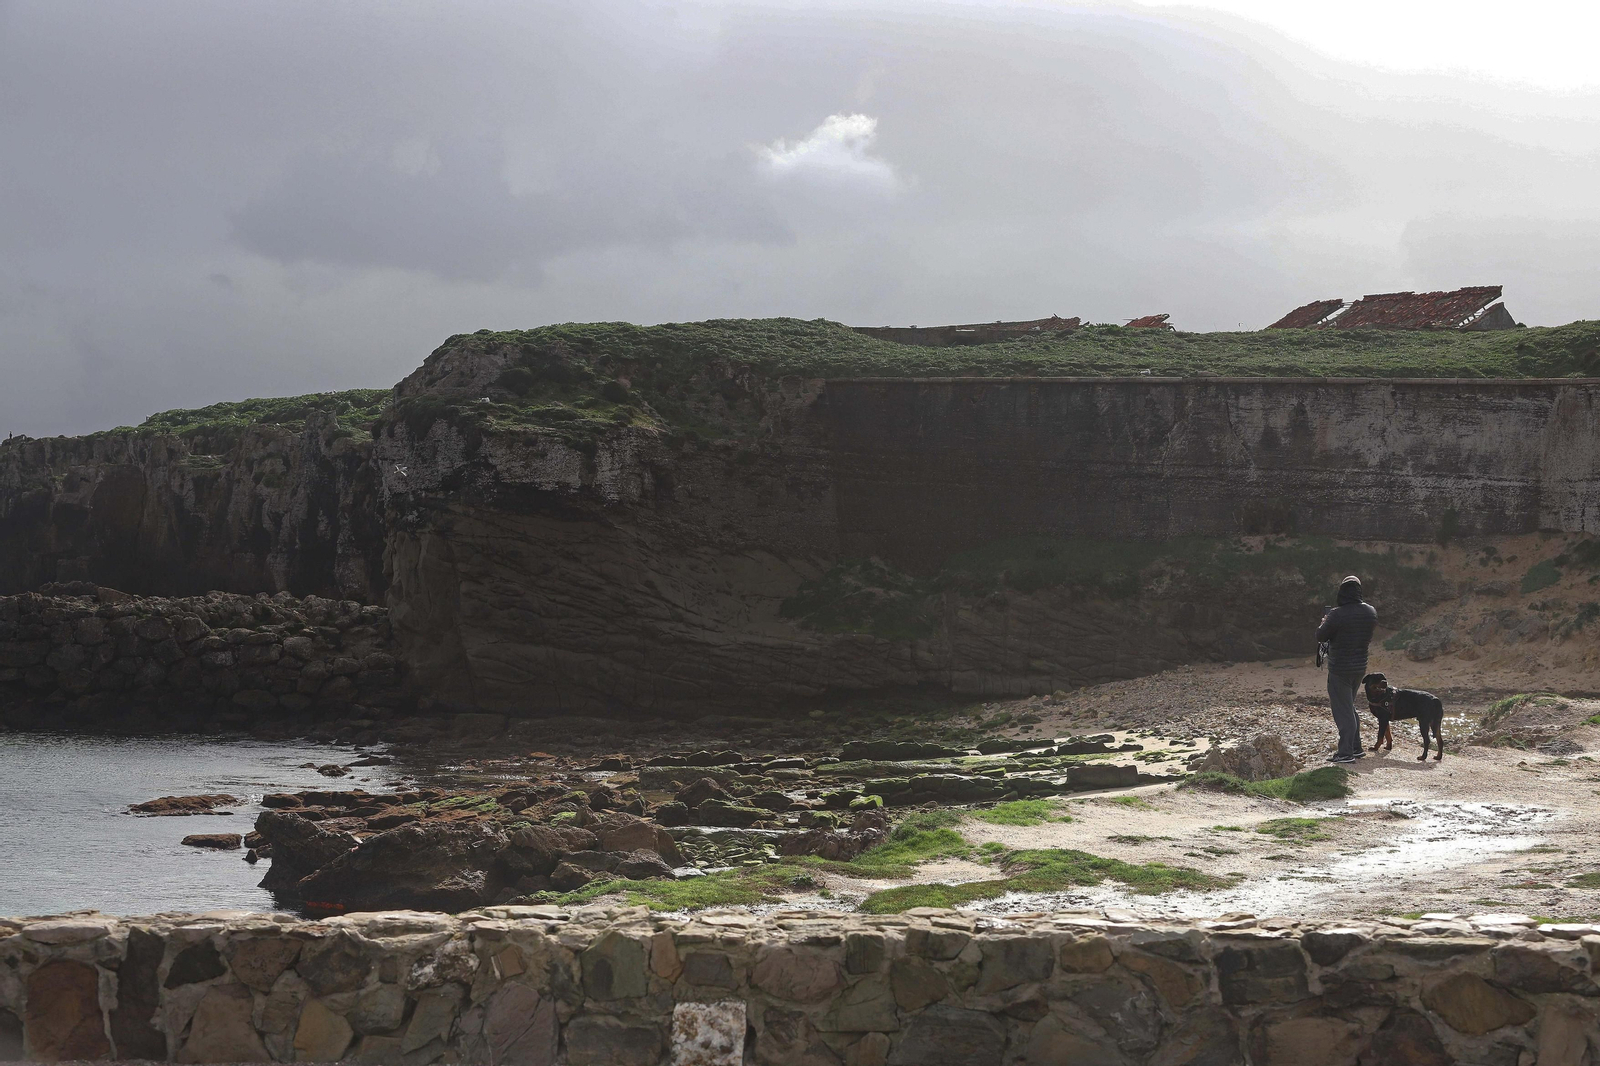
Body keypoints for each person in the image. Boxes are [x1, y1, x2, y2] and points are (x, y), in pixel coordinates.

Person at [1317, 575, 1377, 764]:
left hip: (1339, 669)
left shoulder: (1337, 614)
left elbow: (1320, 635)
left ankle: (1345, 753)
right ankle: (1356, 748)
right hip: (1360, 667)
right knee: (1349, 707)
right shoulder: (1370, 611)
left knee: (1343, 711)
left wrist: (1324, 621)